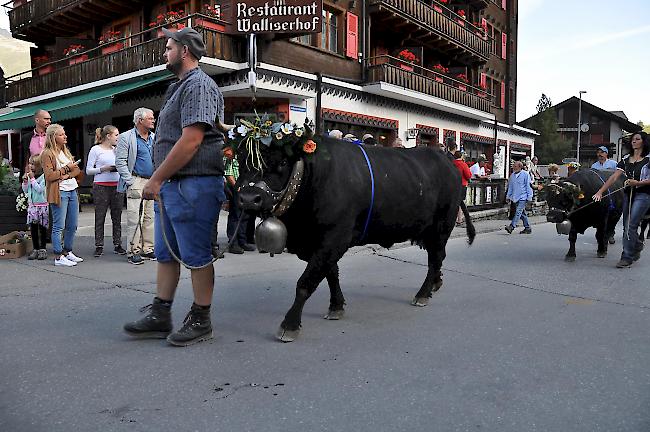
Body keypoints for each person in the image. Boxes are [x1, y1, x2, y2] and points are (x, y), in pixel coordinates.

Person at [123, 27, 226, 346]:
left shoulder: (199, 85)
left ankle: (201, 319)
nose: (163, 52)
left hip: (194, 183)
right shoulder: (177, 87)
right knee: (166, 253)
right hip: (175, 184)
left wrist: (155, 178)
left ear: (184, 51)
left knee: (196, 255)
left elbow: (192, 140)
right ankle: (161, 314)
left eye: (168, 47)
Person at [593, 132, 650, 268]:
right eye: (632, 139)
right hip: (628, 194)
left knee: (630, 224)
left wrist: (637, 183)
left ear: (644, 142)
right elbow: (613, 177)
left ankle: (627, 257)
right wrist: (600, 192)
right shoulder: (625, 159)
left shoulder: (648, 159)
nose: (634, 141)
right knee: (626, 226)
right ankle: (636, 245)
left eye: (637, 139)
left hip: (643, 195)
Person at [115, 107, 157, 265]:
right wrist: (130, 180)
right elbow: (120, 162)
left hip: (151, 180)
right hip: (136, 180)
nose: (153, 120)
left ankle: (148, 249)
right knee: (134, 217)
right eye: (150, 118)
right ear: (140, 120)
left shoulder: (154, 136)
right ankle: (134, 251)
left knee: (149, 216)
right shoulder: (126, 137)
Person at [41, 124, 83, 267]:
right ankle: (58, 256)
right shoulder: (47, 153)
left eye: (64, 134)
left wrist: (66, 175)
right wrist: (67, 169)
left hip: (72, 189)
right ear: (53, 137)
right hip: (59, 192)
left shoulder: (65, 151)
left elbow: (76, 170)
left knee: (73, 224)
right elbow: (49, 176)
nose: (65, 136)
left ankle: (67, 251)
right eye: (61, 134)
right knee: (59, 226)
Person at [87, 125, 126, 257]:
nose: (118, 138)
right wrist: (103, 169)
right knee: (100, 216)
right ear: (108, 136)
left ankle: (117, 243)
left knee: (117, 216)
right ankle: (99, 245)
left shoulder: (117, 150)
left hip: (117, 185)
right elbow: (88, 170)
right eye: (116, 135)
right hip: (101, 186)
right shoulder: (96, 149)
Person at [223, 145, 252, 254]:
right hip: (236, 187)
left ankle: (242, 241)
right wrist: (237, 187)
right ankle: (233, 243)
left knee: (244, 215)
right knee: (235, 214)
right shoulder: (231, 151)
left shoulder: (246, 153)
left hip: (245, 187)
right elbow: (228, 172)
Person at [21, 155, 48, 260]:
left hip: (42, 205)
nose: (30, 165)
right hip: (32, 205)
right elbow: (26, 190)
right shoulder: (29, 175)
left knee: (42, 228)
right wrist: (25, 181)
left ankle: (43, 249)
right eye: (29, 163)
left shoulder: (43, 177)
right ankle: (35, 248)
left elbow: (40, 189)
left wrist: (32, 179)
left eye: (32, 163)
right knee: (33, 228)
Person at [20, 109, 51, 176]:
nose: (49, 121)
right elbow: (23, 159)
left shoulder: (52, 136)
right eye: (46, 119)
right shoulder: (26, 138)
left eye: (49, 119)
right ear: (37, 120)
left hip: (50, 175)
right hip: (33, 176)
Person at [505, 160, 533, 234]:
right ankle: (527, 228)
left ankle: (512, 226)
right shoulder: (512, 175)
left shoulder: (525, 174)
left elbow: (528, 186)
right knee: (522, 213)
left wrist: (529, 197)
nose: (514, 167)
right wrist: (508, 196)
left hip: (523, 197)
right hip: (515, 197)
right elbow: (510, 187)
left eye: (515, 166)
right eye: (513, 166)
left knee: (518, 212)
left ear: (520, 167)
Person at [453, 151, 472, 224]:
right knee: (460, 203)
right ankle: (459, 219)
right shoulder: (463, 164)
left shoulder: (452, 163)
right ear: (461, 156)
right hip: (462, 184)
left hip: (453, 184)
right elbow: (468, 175)